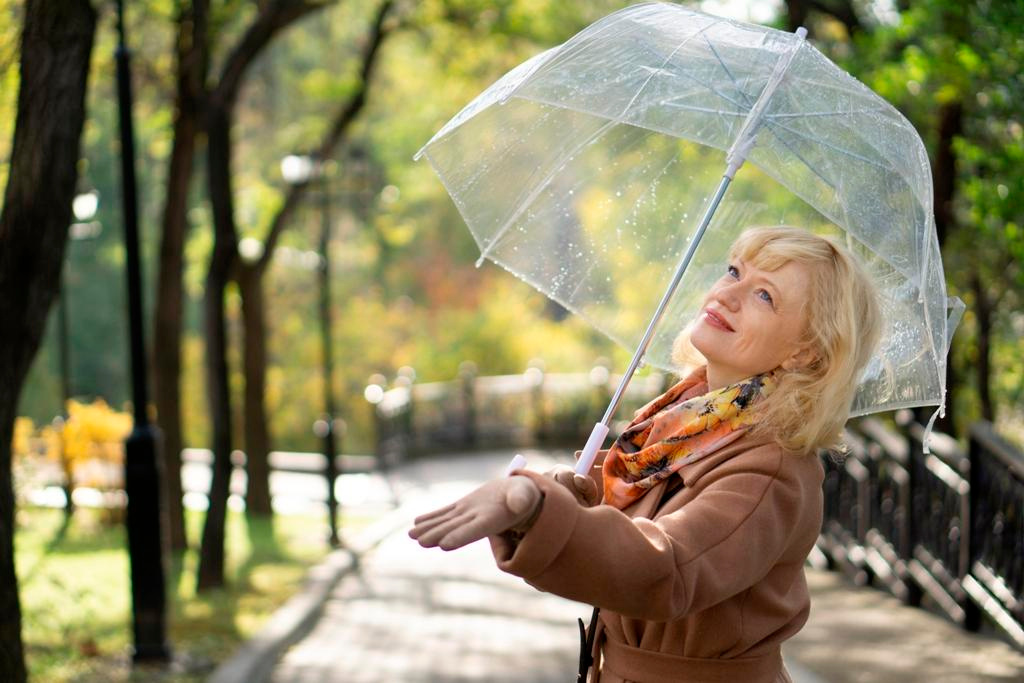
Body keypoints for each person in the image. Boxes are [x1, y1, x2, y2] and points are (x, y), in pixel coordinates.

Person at [410, 226, 883, 683]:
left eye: (765, 295)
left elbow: (666, 569)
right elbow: (624, 520)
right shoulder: (684, 422)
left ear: (805, 352)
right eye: (735, 271)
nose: (727, 294)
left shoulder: (771, 468)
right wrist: (563, 494)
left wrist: (536, 509)